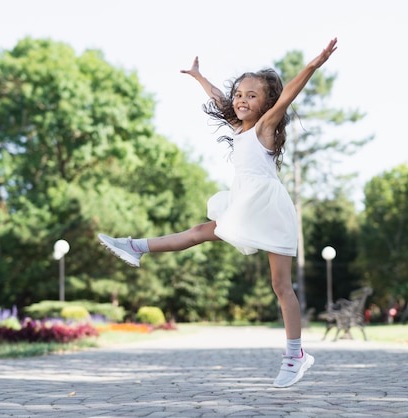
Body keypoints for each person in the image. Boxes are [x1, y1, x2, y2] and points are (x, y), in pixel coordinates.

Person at [98, 38, 338, 388]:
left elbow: (290, 96)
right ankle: (134, 247)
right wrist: (198, 76)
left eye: (252, 95)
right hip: (245, 204)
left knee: (281, 285)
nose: (241, 100)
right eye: (239, 94)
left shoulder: (264, 127)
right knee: (200, 231)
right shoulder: (239, 126)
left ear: (267, 103)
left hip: (268, 209)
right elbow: (218, 97)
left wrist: (313, 65)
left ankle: (295, 354)